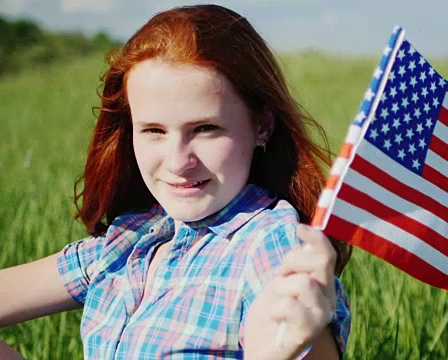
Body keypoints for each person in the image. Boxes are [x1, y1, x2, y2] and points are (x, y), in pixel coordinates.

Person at [0, 4, 352, 359]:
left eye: (205, 129)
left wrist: (280, 349)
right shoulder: (129, 240)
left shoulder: (272, 247)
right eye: (154, 130)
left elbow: (298, 338)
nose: (177, 162)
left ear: (261, 124)